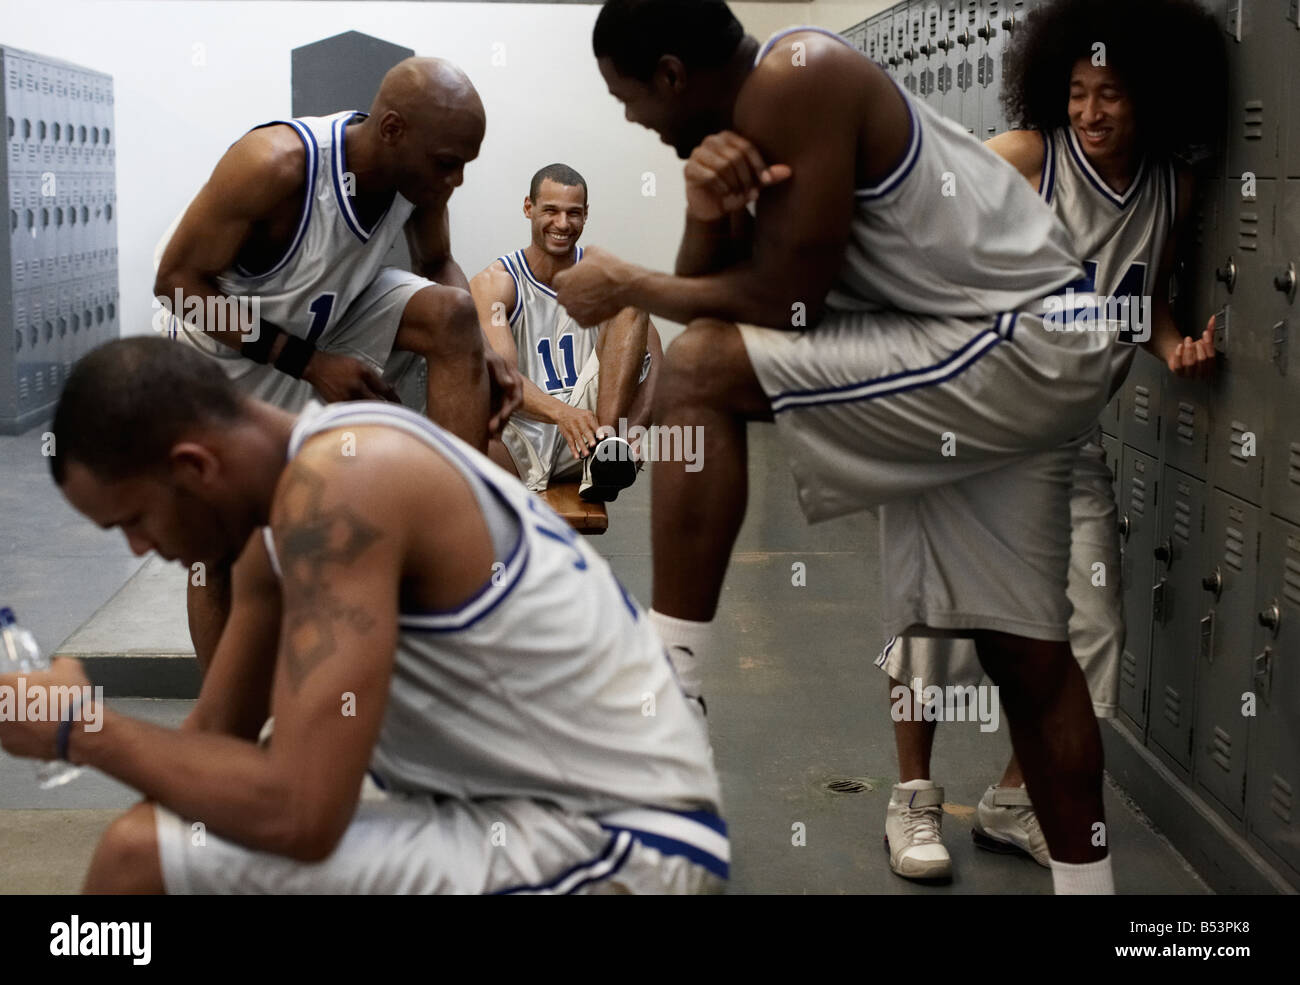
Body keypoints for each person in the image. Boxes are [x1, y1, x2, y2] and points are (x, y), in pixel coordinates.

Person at [555, 0, 1117, 893]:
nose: (631, 118)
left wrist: (627, 280)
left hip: (1018, 337)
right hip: (1022, 363)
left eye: (628, 98)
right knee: (1028, 656)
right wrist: (705, 205)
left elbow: (788, 303)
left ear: (670, 75)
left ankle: (672, 697)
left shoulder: (796, 73)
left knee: (698, 370)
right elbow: (715, 297)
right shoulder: (747, 127)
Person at [0, 338, 724, 895]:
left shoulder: (342, 485)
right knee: (177, 827)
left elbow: (301, 816)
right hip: (516, 808)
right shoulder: (278, 527)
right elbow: (214, 744)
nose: (140, 548)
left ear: (193, 467)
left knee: (138, 859)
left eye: (133, 519)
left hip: (624, 841)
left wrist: (81, 729)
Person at [874, 0, 1224, 881]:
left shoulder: (1172, 190)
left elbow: (1141, 298)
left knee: (1094, 631)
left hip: (1067, 449)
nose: (1092, 113)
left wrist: (1175, 343)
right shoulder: (1028, 159)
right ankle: (911, 799)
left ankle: (1011, 799)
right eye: (1077, 93)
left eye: (1111, 95)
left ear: (1152, 100)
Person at [153, 57, 522, 670]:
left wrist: (484, 345)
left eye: (464, 164)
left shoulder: (419, 180)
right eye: (447, 163)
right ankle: (230, 733)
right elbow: (176, 284)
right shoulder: (274, 165)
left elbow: (438, 263)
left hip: (328, 315)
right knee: (216, 550)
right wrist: (306, 362)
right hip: (219, 346)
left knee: (457, 314)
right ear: (394, 130)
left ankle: (444, 546)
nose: (455, 180)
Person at [470, 163, 662, 502]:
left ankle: (603, 455)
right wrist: (563, 414)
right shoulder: (497, 283)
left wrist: (633, 429)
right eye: (551, 211)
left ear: (586, 215)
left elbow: (654, 357)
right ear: (528, 208)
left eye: (573, 213)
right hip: (525, 429)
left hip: (592, 428)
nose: (562, 223)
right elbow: (505, 379)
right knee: (466, 461)